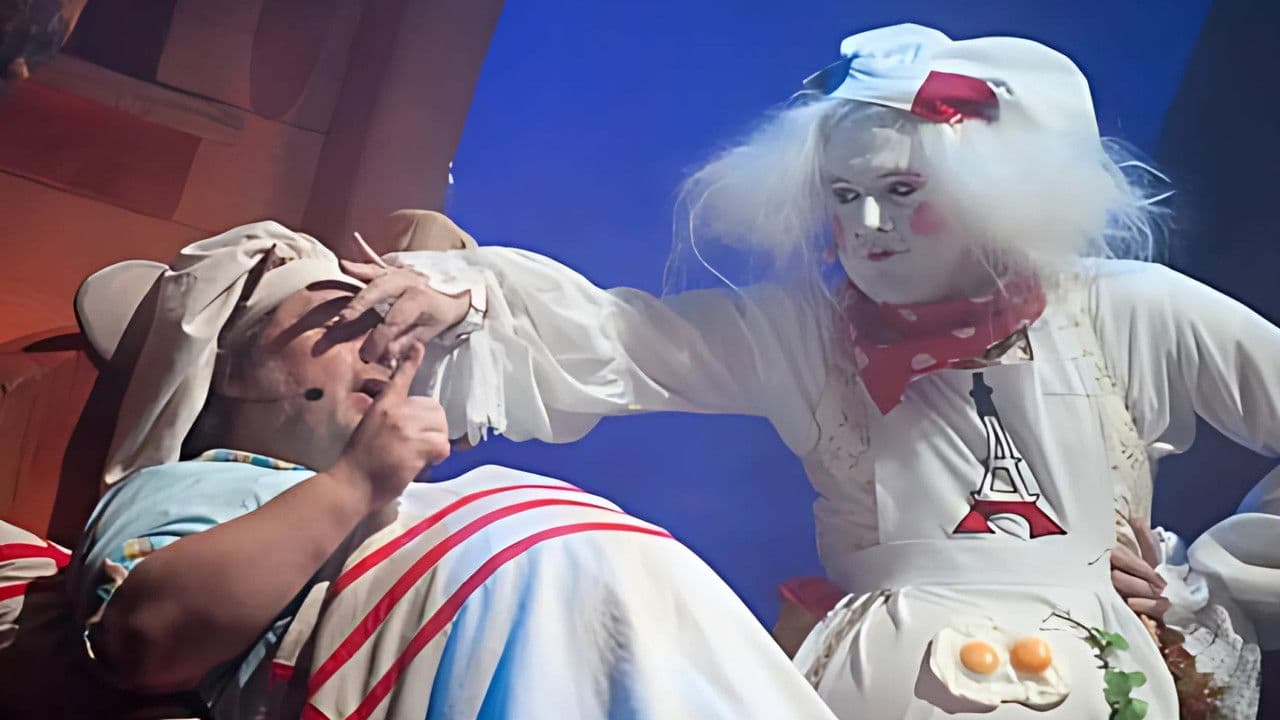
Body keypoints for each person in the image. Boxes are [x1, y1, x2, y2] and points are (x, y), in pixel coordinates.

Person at [336, 24, 1279, 719]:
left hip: (1095, 676)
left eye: (903, 191)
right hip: (869, 684)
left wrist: (1216, 587)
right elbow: (625, 341)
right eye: (845, 195)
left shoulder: (1129, 308)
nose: (866, 226)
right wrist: (471, 299)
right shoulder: (806, 330)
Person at [67, 221, 839, 720]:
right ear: (231, 371)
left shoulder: (404, 494)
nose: (379, 346)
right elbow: (143, 640)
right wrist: (354, 485)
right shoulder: (183, 487)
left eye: (381, 325)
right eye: (339, 322)